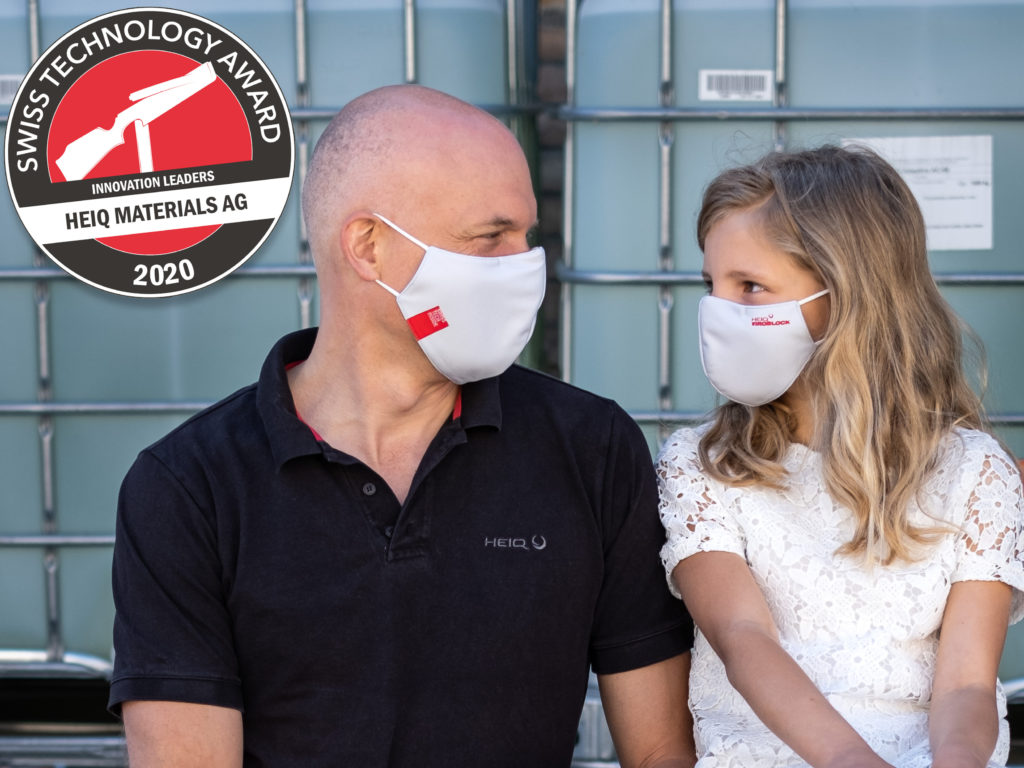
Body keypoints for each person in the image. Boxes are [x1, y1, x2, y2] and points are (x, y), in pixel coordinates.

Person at [107, 84, 695, 767]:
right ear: (369, 246)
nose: (525, 266)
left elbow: (661, 751)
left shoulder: (592, 448)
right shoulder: (189, 487)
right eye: (490, 238)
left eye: (527, 236)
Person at [657, 144, 1024, 767]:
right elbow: (743, 638)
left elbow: (966, 683)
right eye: (710, 285)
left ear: (847, 292)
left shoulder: (975, 472)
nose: (718, 312)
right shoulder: (700, 465)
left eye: (749, 286)